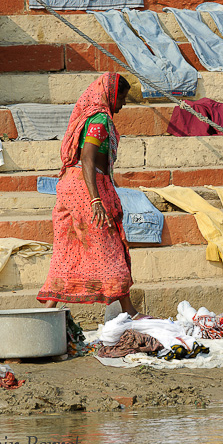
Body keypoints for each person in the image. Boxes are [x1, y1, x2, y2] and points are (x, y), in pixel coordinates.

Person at [38, 72, 147, 319]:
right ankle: (129, 310)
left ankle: (46, 313)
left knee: (67, 250)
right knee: (110, 247)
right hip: (83, 189)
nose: (124, 103)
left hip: (71, 186)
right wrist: (96, 199)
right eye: (122, 97)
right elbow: (87, 157)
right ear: (111, 94)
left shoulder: (95, 117)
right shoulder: (98, 119)